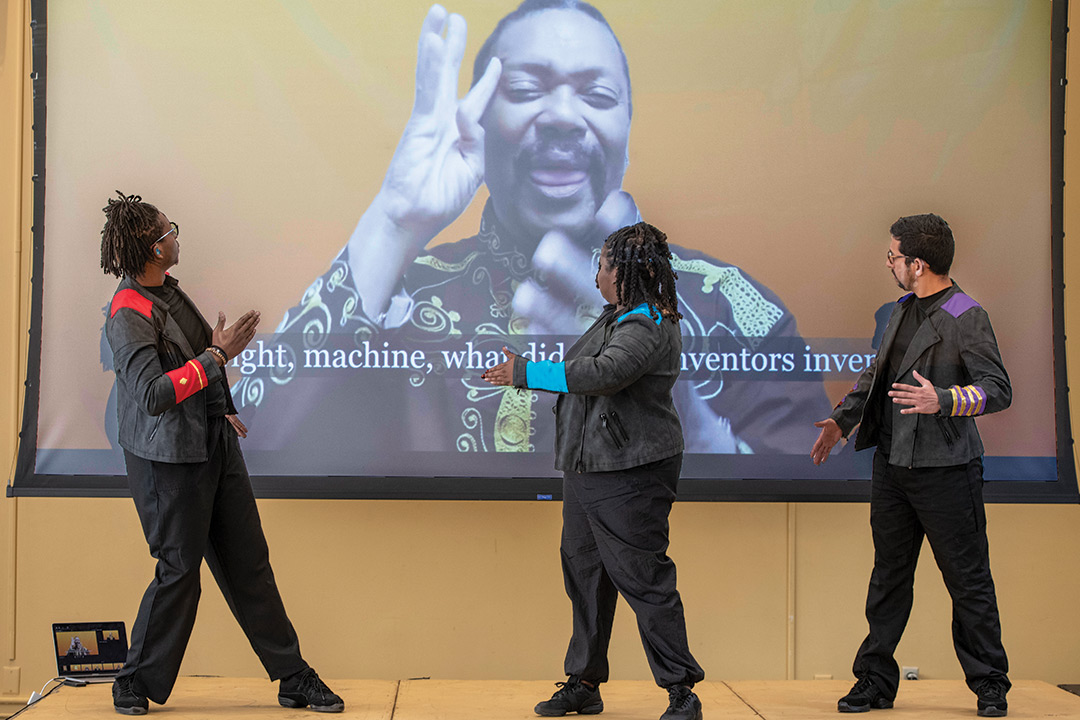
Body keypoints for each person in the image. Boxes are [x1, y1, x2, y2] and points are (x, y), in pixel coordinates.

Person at [234, 0, 829, 470]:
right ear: (481, 124)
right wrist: (393, 221)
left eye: (597, 96)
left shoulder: (731, 308)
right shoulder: (399, 302)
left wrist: (676, 410)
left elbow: (812, 479)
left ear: (627, 130)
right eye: (525, 90)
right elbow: (248, 439)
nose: (565, 116)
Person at [100, 192, 344, 715]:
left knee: (249, 563)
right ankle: (132, 681)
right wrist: (219, 355)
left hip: (213, 445)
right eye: (169, 231)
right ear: (151, 246)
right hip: (167, 462)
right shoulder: (127, 312)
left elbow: (193, 362)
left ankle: (292, 675)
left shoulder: (168, 293)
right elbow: (153, 394)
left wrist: (221, 404)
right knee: (179, 570)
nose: (175, 236)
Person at [482, 223, 705, 720]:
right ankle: (584, 682)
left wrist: (525, 374)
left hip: (631, 474)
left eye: (603, 265)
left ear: (624, 272)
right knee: (584, 576)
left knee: (643, 579)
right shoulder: (615, 318)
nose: (596, 274)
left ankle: (681, 692)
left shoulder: (647, 324)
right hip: (589, 472)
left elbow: (604, 375)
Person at [810, 214, 1011, 717]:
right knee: (888, 579)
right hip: (893, 468)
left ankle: (989, 683)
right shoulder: (900, 309)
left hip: (947, 471)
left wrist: (944, 399)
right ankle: (874, 682)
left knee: (967, 580)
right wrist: (843, 421)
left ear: (917, 264)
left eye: (894, 256)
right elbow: (875, 377)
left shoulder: (968, 314)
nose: (889, 263)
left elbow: (998, 390)